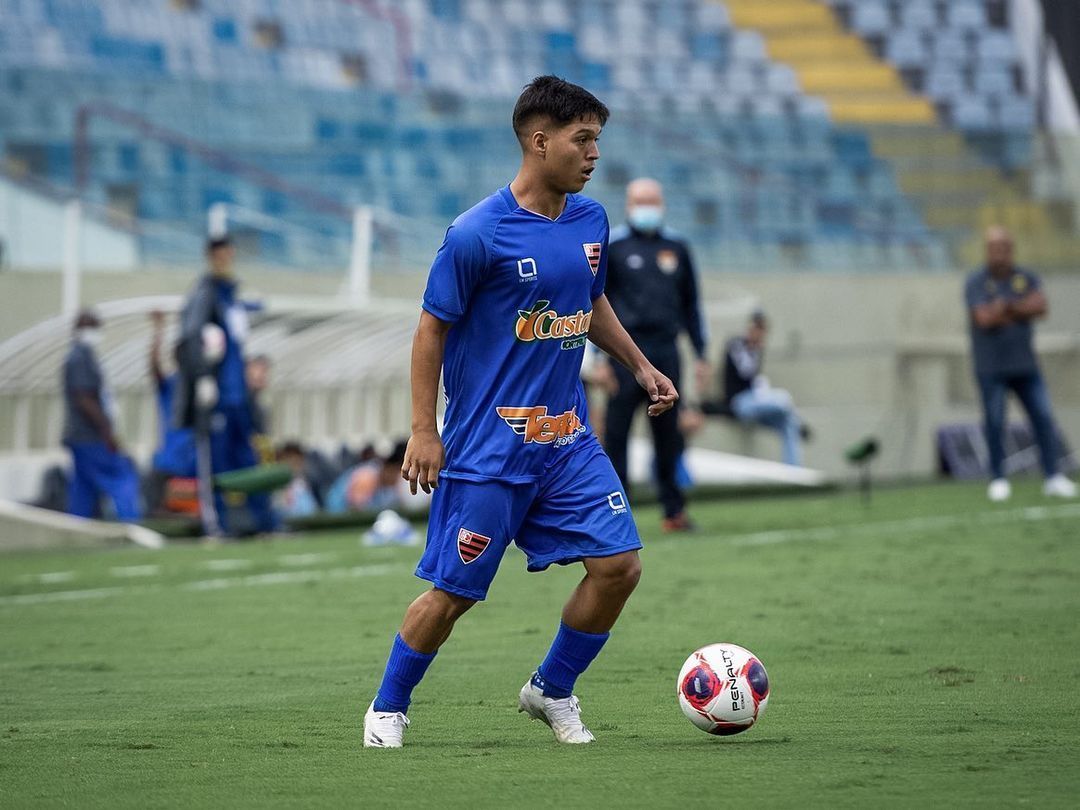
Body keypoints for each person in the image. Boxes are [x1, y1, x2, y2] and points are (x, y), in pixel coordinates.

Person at [363, 76, 678, 749]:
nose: (595, 154)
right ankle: (387, 709)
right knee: (455, 595)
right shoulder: (476, 233)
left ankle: (552, 689)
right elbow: (429, 330)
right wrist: (424, 430)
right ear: (540, 142)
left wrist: (641, 365)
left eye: (598, 139)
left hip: (566, 441)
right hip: (488, 449)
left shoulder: (592, 222)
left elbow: (590, 304)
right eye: (582, 139)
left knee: (620, 565)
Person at [598, 178, 708, 532]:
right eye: (640, 201)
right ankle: (618, 517)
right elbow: (594, 305)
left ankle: (673, 511)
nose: (647, 207)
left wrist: (701, 353)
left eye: (653, 200)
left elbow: (692, 305)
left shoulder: (677, 247)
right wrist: (598, 362)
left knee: (668, 435)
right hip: (623, 354)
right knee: (617, 436)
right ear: (628, 205)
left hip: (666, 351)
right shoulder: (613, 246)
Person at [175, 236, 277, 535]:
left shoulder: (231, 297)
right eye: (220, 255)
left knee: (248, 461)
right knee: (216, 465)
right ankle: (216, 525)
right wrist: (204, 378)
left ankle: (265, 522)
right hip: (216, 399)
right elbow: (191, 339)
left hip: (237, 399)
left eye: (229, 255)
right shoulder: (204, 295)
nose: (226, 260)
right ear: (210, 257)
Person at [965, 226, 1076, 502]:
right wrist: (1020, 309)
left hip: (1026, 365)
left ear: (1010, 250)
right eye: (994, 249)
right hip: (991, 368)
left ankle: (1053, 475)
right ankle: (998, 479)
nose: (999, 254)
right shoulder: (977, 281)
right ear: (987, 251)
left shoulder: (1026, 277)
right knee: (994, 421)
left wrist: (1006, 307)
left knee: (1043, 417)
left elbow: (1040, 307)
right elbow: (984, 319)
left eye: (1003, 248)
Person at [61, 309, 141, 520]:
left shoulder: (82, 355)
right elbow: (84, 398)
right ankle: (130, 522)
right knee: (120, 475)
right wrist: (107, 430)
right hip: (90, 435)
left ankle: (77, 528)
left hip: (81, 435)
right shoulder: (79, 357)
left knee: (83, 486)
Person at [722, 311, 806, 467]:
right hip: (739, 403)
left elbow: (756, 382)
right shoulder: (736, 344)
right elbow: (745, 370)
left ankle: (793, 472)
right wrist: (753, 348)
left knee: (788, 424)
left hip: (754, 402)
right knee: (784, 399)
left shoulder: (756, 349)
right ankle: (799, 421)